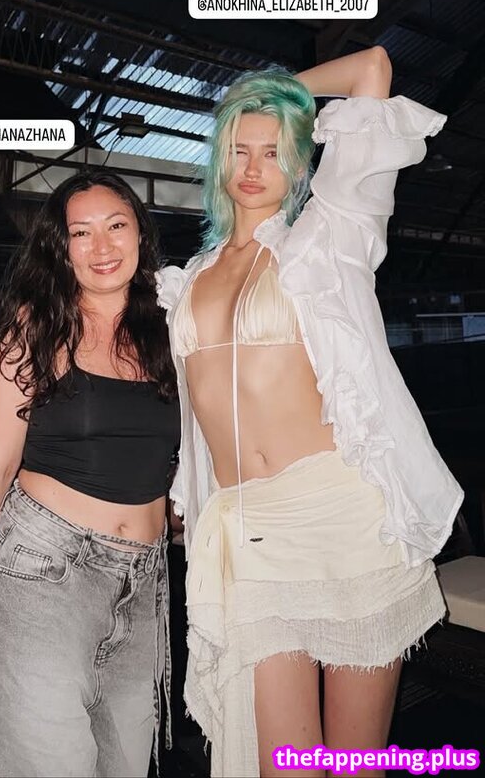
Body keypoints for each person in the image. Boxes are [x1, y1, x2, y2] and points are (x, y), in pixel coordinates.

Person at [156, 47, 463, 778]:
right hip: (251, 534)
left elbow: (374, 68)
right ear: (218, 161)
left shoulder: (328, 238)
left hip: (344, 518)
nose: (254, 166)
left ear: (300, 164)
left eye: (274, 151)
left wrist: (272, 94)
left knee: (355, 765)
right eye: (239, 148)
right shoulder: (189, 279)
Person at [0, 170, 181, 778]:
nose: (102, 246)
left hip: (145, 581)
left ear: (140, 235)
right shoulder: (31, 327)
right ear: (60, 247)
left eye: (116, 226)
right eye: (81, 232)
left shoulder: (173, 329)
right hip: (42, 572)